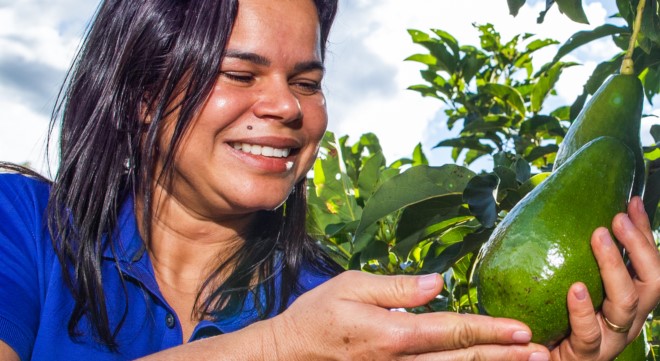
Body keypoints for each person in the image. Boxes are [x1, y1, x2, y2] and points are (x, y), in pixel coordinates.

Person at [0, 0, 658, 360]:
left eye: (307, 82)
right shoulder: (21, 225)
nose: (287, 106)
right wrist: (281, 348)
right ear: (144, 93)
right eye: (240, 73)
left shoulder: (338, 304)